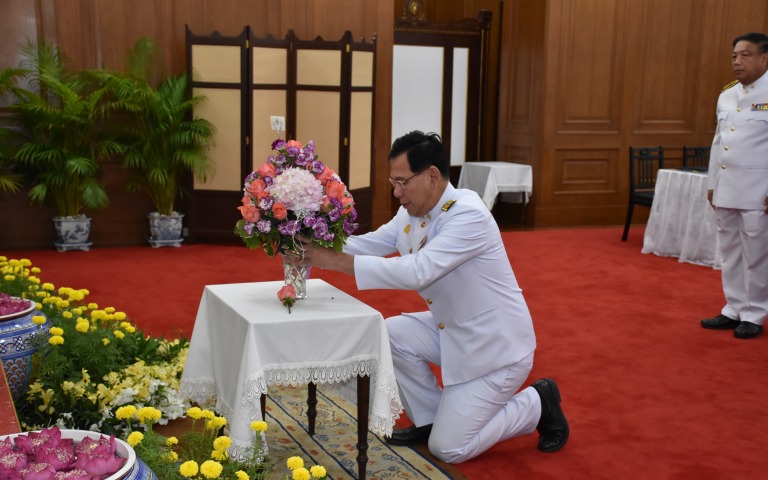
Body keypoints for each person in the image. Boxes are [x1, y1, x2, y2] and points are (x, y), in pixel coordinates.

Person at [294, 131, 568, 463]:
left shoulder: (468, 214)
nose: (396, 192)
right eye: (392, 182)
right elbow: (371, 243)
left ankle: (538, 403)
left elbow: (418, 270)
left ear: (432, 175)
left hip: (498, 348)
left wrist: (333, 260)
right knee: (391, 334)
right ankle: (429, 419)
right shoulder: (411, 211)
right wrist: (315, 241)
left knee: (449, 449)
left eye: (402, 182)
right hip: (455, 328)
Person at [701, 32, 768, 340]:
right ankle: (733, 307)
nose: (737, 61)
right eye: (733, 56)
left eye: (745, 55)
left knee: (757, 254)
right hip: (728, 187)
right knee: (730, 252)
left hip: (758, 190)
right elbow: (719, 142)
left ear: (764, 58)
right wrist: (714, 182)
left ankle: (754, 313)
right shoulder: (727, 95)